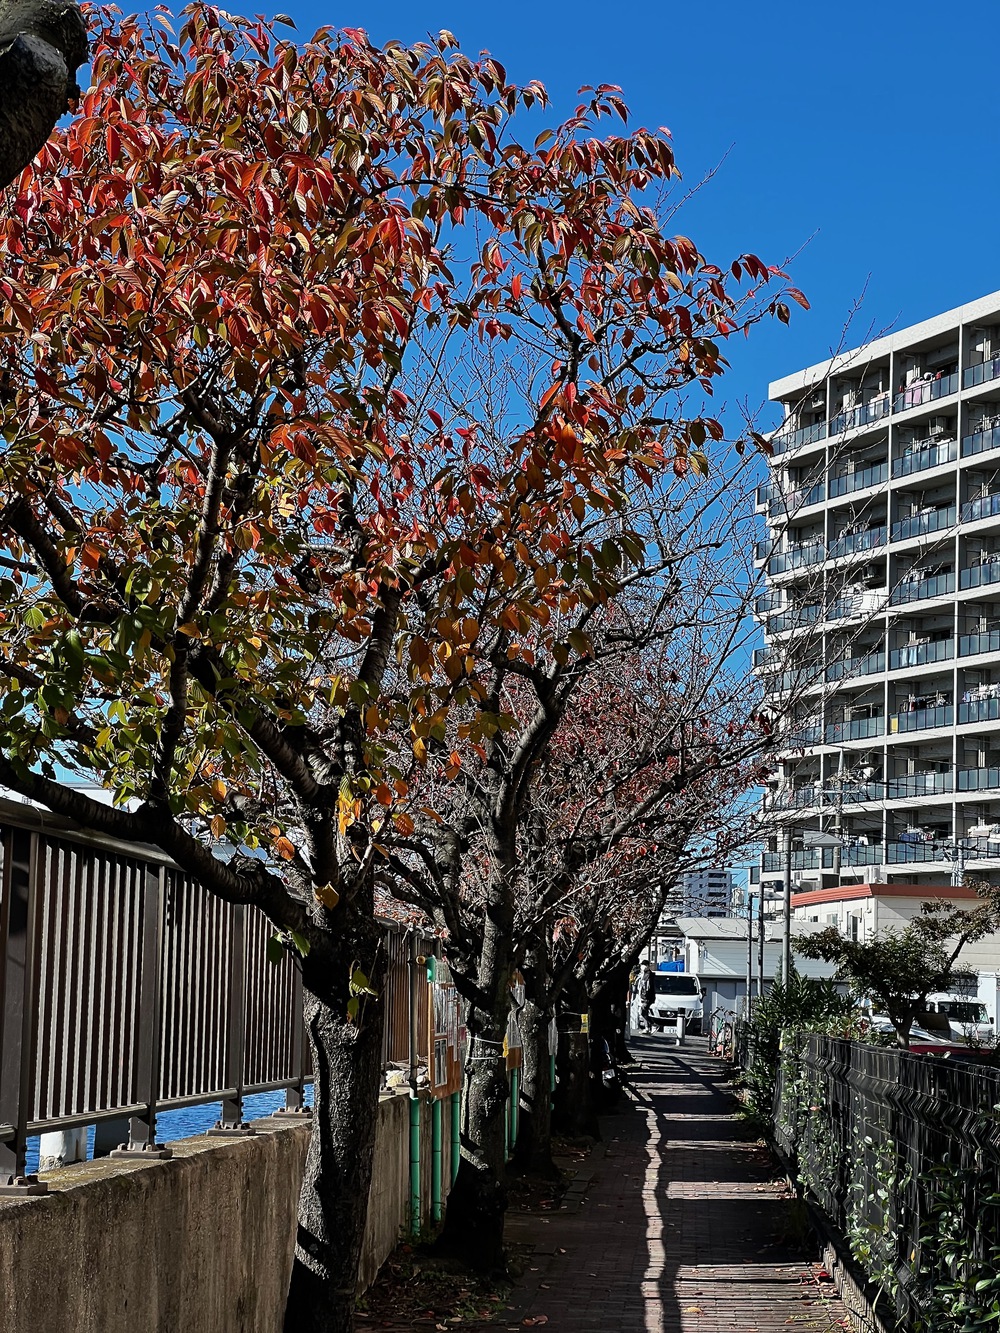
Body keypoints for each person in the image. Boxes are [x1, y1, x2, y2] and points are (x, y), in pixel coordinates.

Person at [635, 961, 653, 1032]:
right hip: (642, 996)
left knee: (643, 1011)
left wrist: (645, 996)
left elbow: (647, 987)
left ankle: (652, 1025)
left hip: (646, 997)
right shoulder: (643, 974)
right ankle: (647, 1028)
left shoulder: (649, 975)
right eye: (642, 965)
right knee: (642, 1012)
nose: (643, 966)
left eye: (645, 965)